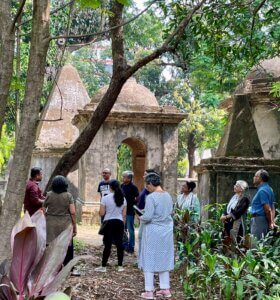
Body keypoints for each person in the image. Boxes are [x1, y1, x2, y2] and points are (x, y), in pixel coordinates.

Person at [138, 173, 174, 299]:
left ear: (150, 184)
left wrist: (140, 216)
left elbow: (148, 217)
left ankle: (149, 291)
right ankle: (165, 288)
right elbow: (170, 212)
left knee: (149, 259)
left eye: (147, 185)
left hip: (153, 232)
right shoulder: (168, 195)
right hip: (166, 232)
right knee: (164, 258)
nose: (146, 188)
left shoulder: (151, 197)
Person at [43, 175, 77, 266]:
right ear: (65, 185)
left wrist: (46, 216)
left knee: (50, 244)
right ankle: (68, 266)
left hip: (51, 223)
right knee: (67, 244)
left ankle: (49, 266)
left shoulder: (49, 194)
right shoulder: (68, 196)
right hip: (65, 223)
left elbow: (43, 207)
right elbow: (73, 212)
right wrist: (74, 227)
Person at [95, 180, 127, 272]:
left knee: (107, 245)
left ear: (110, 187)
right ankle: (120, 266)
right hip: (119, 222)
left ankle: (103, 266)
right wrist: (123, 226)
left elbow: (102, 213)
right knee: (119, 245)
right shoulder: (123, 199)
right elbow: (124, 214)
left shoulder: (105, 198)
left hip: (109, 222)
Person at [220, 180, 250, 248]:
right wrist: (223, 215)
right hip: (228, 223)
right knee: (227, 241)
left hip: (237, 224)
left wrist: (226, 217)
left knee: (236, 242)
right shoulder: (234, 197)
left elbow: (239, 211)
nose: (234, 186)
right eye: (235, 185)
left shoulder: (245, 199)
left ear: (241, 189)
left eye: (237, 186)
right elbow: (228, 207)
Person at [250, 169, 276, 240]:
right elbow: (273, 207)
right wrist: (272, 221)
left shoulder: (262, 191)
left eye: (255, 176)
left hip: (259, 221)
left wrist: (270, 222)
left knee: (255, 244)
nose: (253, 177)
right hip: (263, 220)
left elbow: (268, 209)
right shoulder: (269, 189)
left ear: (260, 178)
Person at [121, 170, 139, 253]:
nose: (123, 178)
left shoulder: (133, 187)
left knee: (130, 229)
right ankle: (124, 244)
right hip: (121, 211)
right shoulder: (121, 186)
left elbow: (137, 198)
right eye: (123, 176)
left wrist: (133, 204)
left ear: (129, 178)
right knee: (122, 229)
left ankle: (131, 246)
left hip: (130, 211)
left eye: (125, 177)